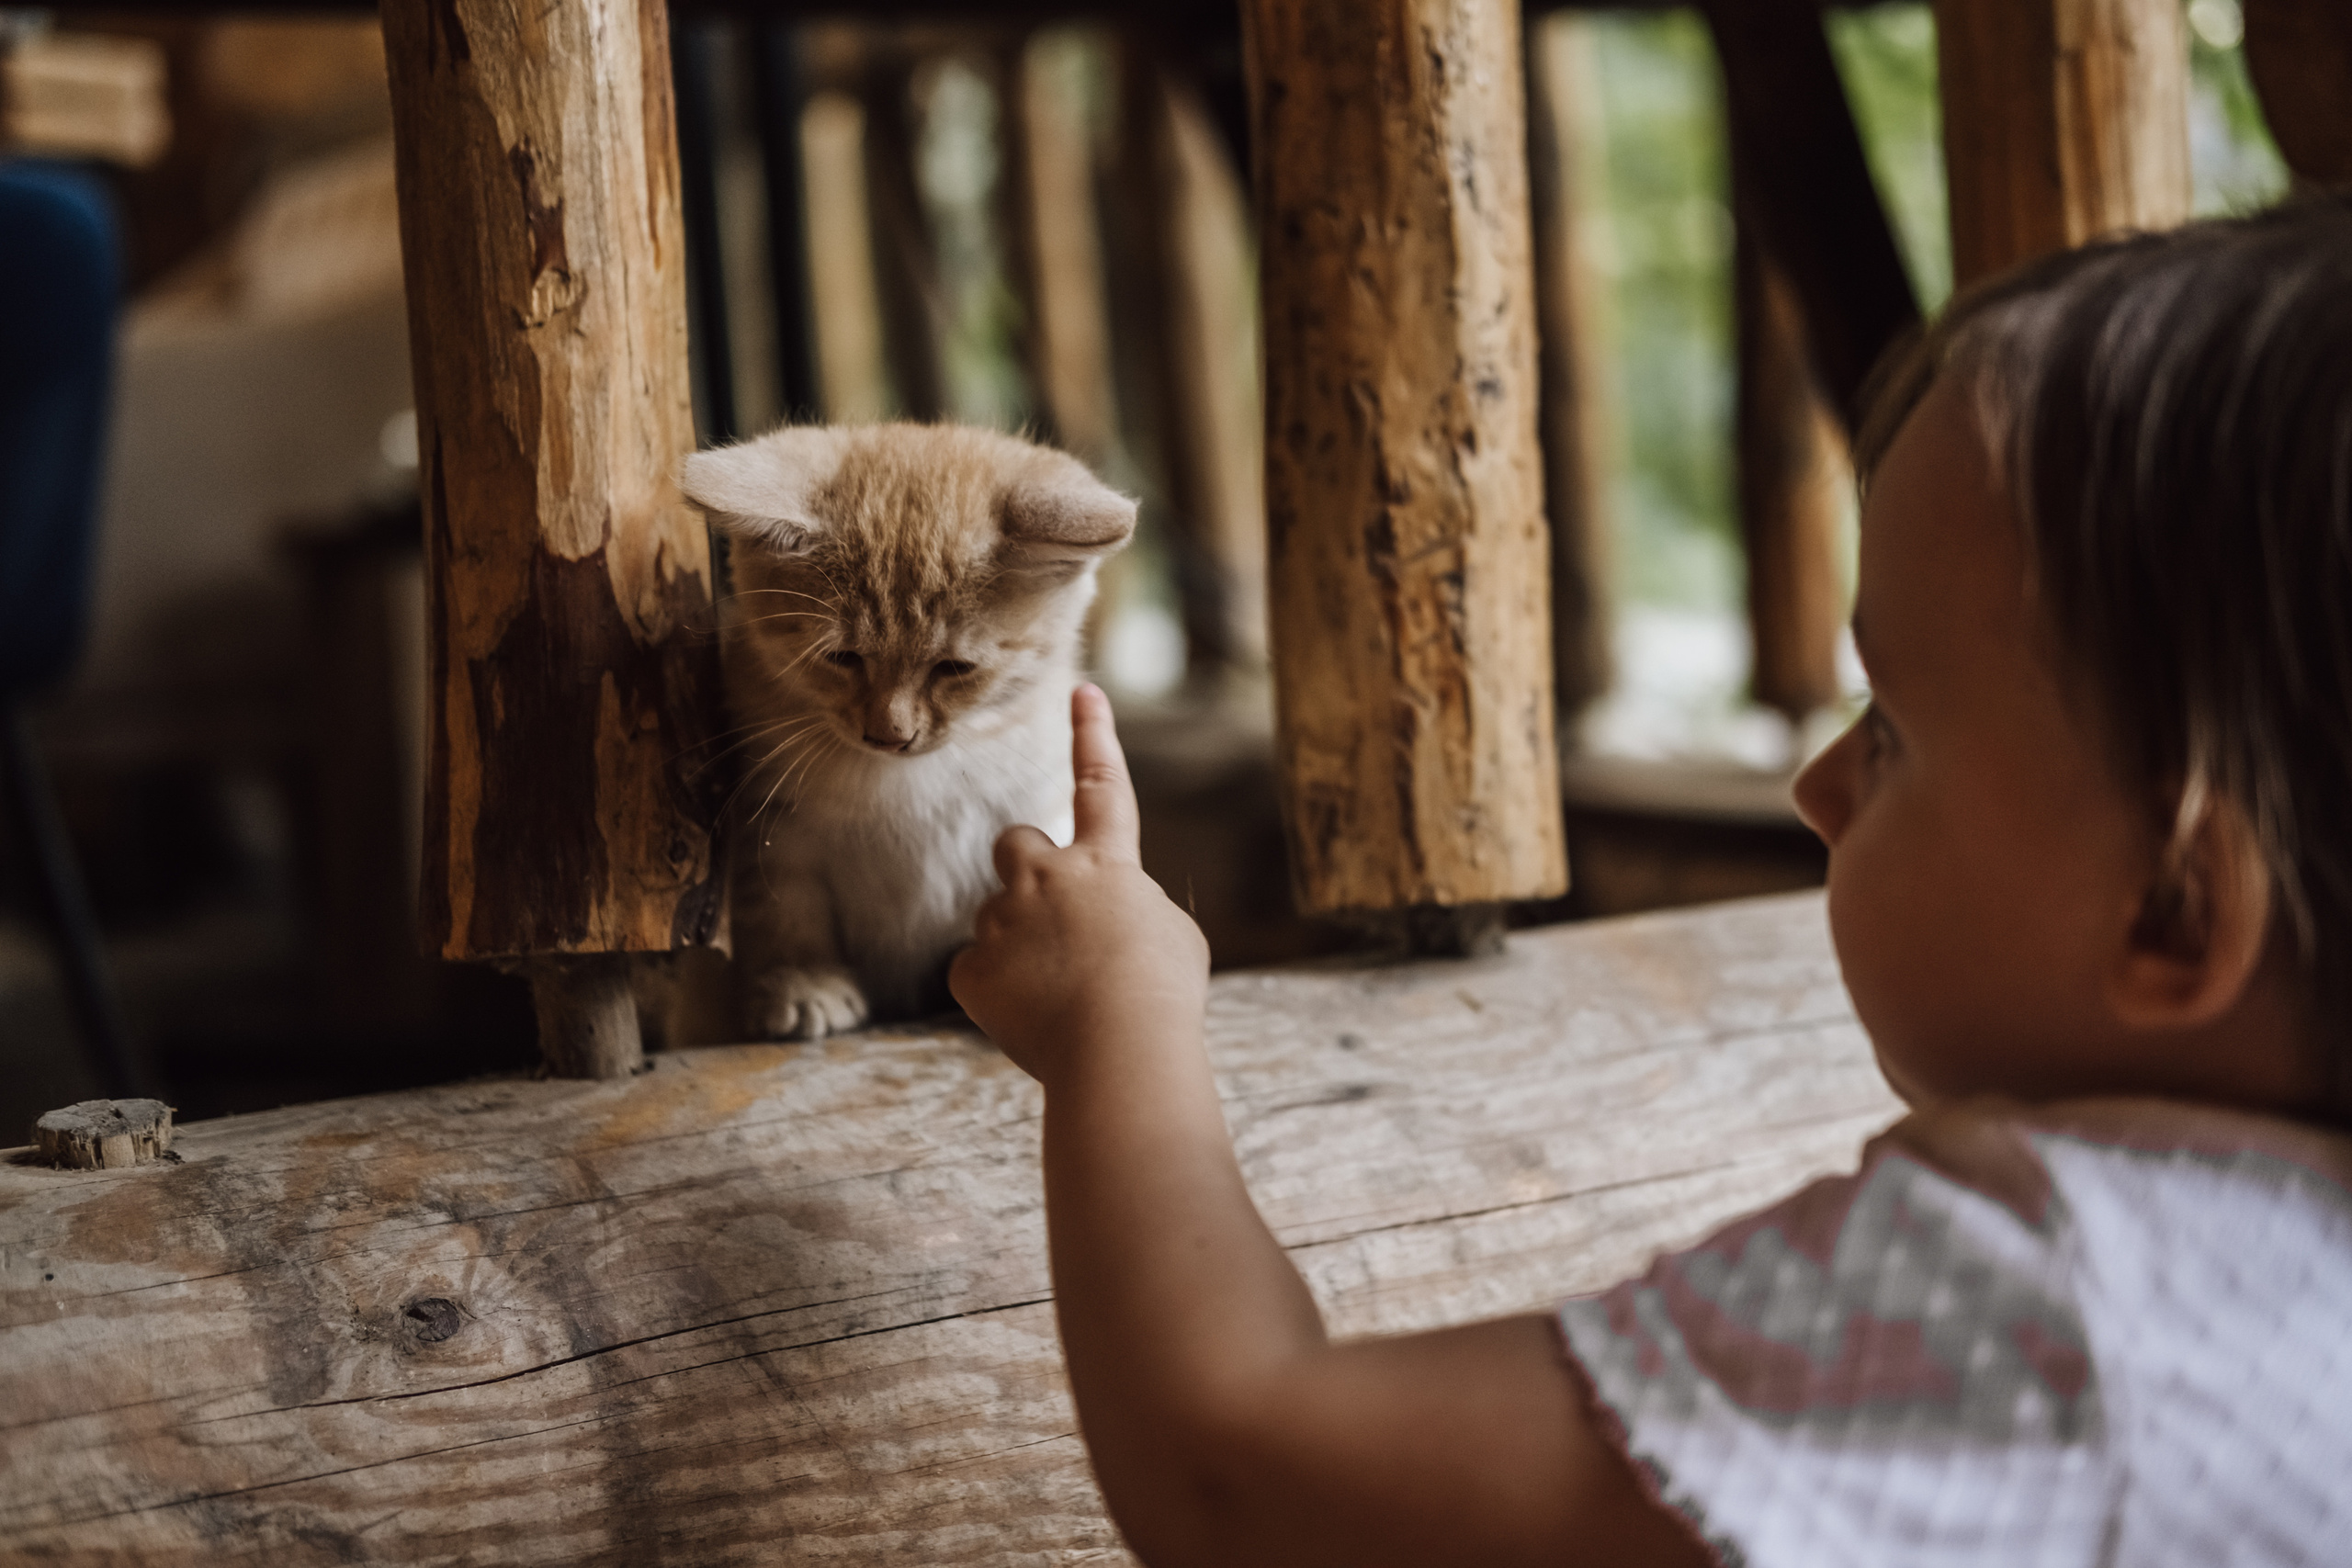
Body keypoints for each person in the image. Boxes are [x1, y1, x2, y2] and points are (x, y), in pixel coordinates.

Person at [947, 195, 2352, 1568]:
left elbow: (1239, 1475)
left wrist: (1116, 1017)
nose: (1818, 788)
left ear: (2174, 910)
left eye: (1897, 730)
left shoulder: (2048, 1289)